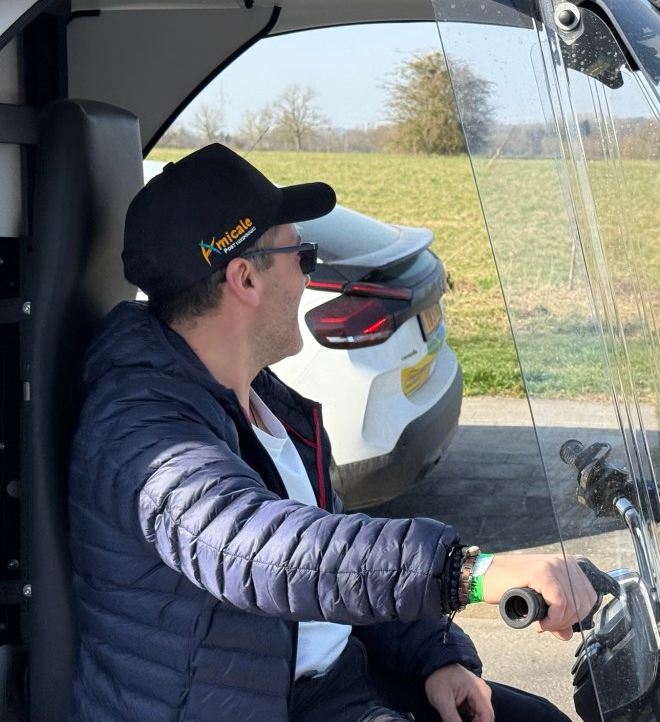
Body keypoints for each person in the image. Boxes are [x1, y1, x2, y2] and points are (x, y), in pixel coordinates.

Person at [68, 144, 597, 722]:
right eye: (302, 255)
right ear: (245, 278)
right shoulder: (141, 431)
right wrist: (469, 575)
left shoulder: (259, 396)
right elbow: (263, 550)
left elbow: (337, 559)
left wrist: (433, 654)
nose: (309, 273)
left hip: (339, 678)